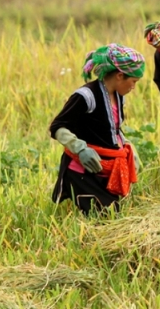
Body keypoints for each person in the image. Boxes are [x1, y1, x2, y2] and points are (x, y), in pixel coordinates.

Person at [50, 44, 145, 215]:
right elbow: (57, 126)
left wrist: (128, 148)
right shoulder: (86, 96)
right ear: (120, 76)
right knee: (107, 216)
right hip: (82, 169)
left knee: (115, 212)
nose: (133, 87)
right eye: (133, 82)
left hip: (103, 168)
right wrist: (81, 150)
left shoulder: (118, 96)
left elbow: (113, 129)